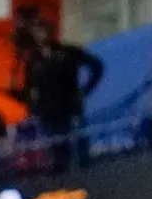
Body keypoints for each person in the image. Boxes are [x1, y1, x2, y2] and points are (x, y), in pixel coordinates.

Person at [9, 15, 104, 171]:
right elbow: (27, 89)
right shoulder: (34, 61)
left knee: (78, 148)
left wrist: (85, 90)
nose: (42, 35)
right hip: (47, 114)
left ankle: (85, 173)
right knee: (56, 153)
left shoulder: (68, 52)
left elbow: (96, 66)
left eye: (44, 30)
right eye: (37, 32)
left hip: (69, 108)